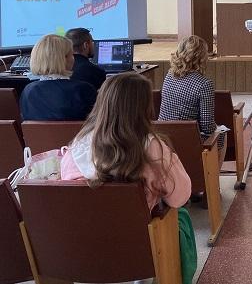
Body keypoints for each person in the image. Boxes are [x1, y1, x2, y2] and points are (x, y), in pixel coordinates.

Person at [60, 73, 195, 283]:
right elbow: (180, 197)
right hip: (138, 252)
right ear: (144, 108)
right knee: (180, 216)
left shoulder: (74, 148)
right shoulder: (152, 146)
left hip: (80, 251)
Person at [159, 35, 226, 163]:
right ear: (201, 57)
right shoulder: (204, 84)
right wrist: (218, 129)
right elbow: (207, 125)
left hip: (164, 137)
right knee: (222, 134)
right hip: (188, 139)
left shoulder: (169, 75)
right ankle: (211, 180)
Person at [20, 34, 97, 120]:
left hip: (37, 134)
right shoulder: (83, 89)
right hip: (75, 133)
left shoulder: (28, 90)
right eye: (72, 54)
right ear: (64, 59)